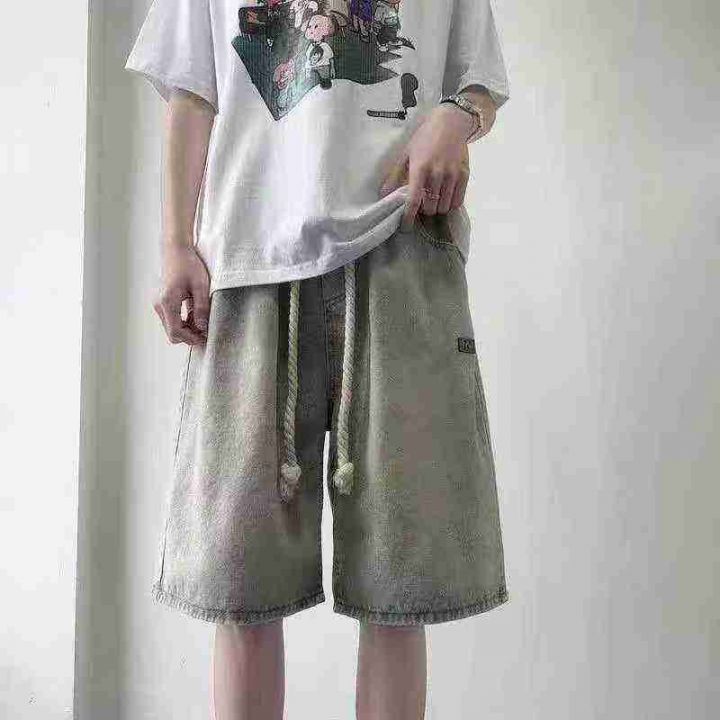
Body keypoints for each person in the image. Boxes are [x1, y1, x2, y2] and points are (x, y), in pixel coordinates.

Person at [124, 1, 511, 717]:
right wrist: (176, 246)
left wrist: (456, 118)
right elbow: (191, 90)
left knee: (399, 584)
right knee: (239, 582)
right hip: (249, 257)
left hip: (401, 243)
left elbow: (479, 79)